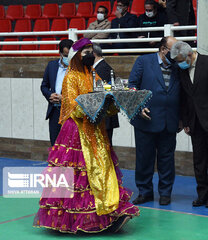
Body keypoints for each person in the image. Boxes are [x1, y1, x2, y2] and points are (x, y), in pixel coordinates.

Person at [33, 38, 139, 233]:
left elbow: (104, 96)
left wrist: (113, 100)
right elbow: (73, 106)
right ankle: (67, 219)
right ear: (77, 55)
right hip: (76, 131)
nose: (89, 55)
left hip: (96, 130)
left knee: (102, 170)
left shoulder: (94, 75)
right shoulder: (71, 77)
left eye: (91, 51)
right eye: (85, 52)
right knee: (78, 173)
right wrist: (94, 105)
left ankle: (109, 214)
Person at [170, 41, 208, 208]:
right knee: (199, 160)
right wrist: (186, 121)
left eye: (181, 60)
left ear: (189, 54)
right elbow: (185, 98)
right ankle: (202, 193)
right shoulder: (183, 70)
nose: (179, 64)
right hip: (194, 122)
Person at [128, 36, 179, 206]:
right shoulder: (144, 61)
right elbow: (132, 85)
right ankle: (145, 192)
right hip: (146, 119)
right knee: (144, 159)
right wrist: (138, 105)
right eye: (173, 49)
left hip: (169, 120)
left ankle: (165, 193)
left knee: (167, 160)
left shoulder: (178, 65)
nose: (176, 53)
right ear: (163, 49)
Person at [40, 39, 73, 146]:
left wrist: (65, 98)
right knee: (55, 144)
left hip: (70, 113)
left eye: (70, 55)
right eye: (65, 55)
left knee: (69, 145)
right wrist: (50, 95)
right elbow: (44, 86)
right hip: (54, 111)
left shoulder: (77, 69)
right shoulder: (52, 66)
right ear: (60, 54)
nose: (68, 58)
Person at [92, 43, 120, 146]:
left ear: (93, 53)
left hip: (104, 118)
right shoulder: (99, 67)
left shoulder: (103, 68)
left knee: (105, 150)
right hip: (101, 118)